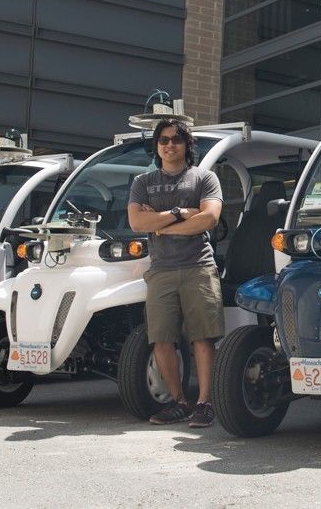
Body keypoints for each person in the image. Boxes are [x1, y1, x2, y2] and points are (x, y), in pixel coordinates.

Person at [128, 118, 224, 428]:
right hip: (161, 271)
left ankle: (204, 403)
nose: (170, 144)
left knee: (202, 337)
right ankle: (179, 402)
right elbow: (137, 224)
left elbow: (209, 219)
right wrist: (180, 213)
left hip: (199, 266)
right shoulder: (142, 182)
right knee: (161, 340)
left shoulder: (204, 178)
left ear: (187, 145)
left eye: (177, 139)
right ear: (157, 146)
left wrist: (163, 227)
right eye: (164, 140)